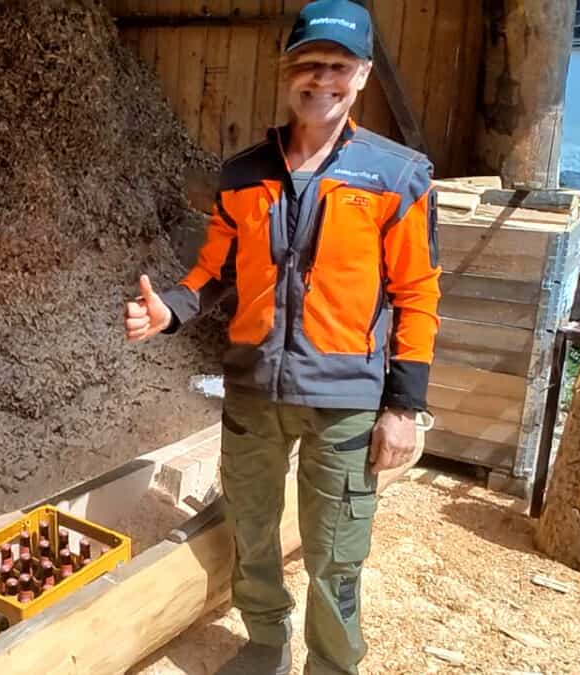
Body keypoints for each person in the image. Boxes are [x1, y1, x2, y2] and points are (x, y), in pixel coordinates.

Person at [124, 1, 441, 673]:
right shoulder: (243, 173)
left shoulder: (396, 175)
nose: (320, 79)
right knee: (251, 527)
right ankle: (267, 640)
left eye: (337, 66)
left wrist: (403, 407)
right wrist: (171, 311)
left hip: (345, 398)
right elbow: (217, 268)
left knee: (336, 548)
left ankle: (331, 662)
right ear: (285, 72)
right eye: (307, 64)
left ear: (360, 76)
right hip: (253, 390)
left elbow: (417, 295)